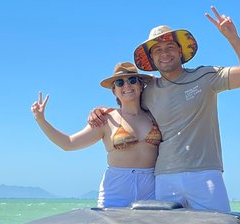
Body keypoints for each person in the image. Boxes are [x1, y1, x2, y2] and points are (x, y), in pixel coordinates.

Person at [90, 7, 240, 224]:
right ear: (151, 59)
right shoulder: (148, 91)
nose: (164, 53)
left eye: (170, 47)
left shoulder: (206, 76)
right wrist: (99, 111)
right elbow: (127, 106)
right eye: (157, 50)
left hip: (205, 173)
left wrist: (231, 37)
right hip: (164, 178)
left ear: (181, 51)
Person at [31, 62, 161, 208]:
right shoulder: (106, 119)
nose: (126, 86)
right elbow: (68, 143)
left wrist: (154, 80)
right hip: (116, 191)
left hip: (151, 188)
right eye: (119, 82)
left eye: (132, 80)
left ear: (140, 85)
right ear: (114, 91)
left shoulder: (154, 116)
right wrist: (41, 120)